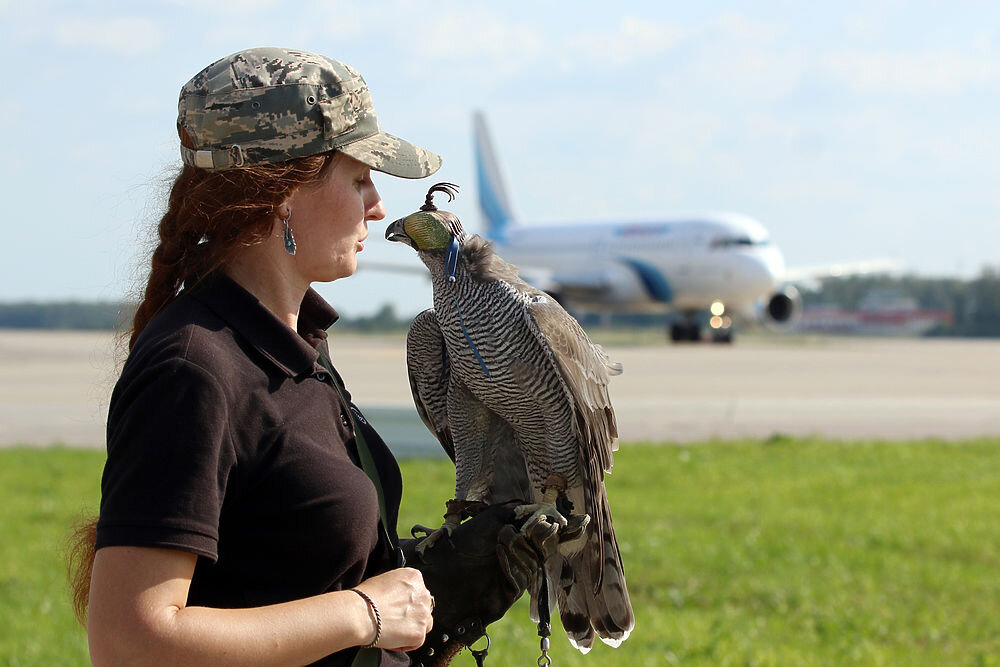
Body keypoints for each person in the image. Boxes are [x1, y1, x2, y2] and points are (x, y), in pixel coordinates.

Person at [67, 47, 545, 667]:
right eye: (359, 178)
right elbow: (130, 642)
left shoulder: (295, 343)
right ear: (284, 192)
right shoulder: (194, 369)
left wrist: (431, 599)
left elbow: (280, 572)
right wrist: (364, 614)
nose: (378, 205)